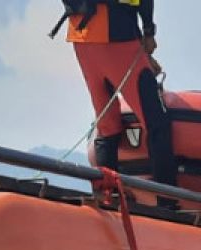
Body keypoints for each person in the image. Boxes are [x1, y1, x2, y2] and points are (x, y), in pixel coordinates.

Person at [60, 1, 178, 195]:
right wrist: (148, 32)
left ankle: (107, 197)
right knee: (157, 122)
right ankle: (167, 202)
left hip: (81, 37)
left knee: (107, 125)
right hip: (117, 35)